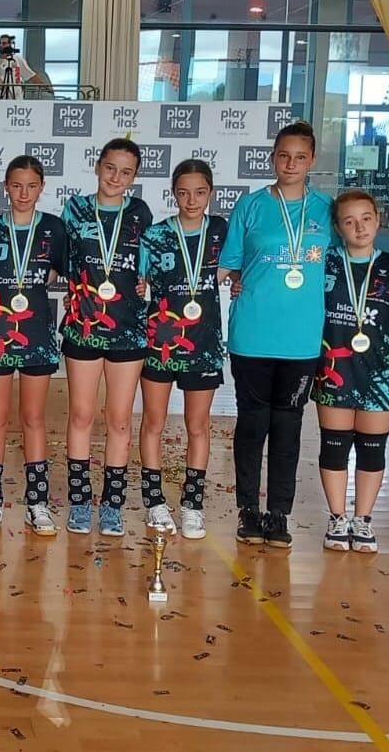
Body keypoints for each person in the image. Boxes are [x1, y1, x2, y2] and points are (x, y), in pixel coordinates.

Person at [218, 120, 332, 550]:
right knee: (251, 425)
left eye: (300, 157)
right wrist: (237, 280)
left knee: (288, 428)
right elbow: (229, 264)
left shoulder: (325, 210)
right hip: (252, 334)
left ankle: (278, 514)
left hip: (302, 339)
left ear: (312, 161)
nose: (291, 164)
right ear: (272, 158)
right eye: (283, 156)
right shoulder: (250, 207)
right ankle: (249, 510)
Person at [313, 190, 389, 553]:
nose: (359, 227)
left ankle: (363, 519)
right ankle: (337, 517)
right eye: (349, 221)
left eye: (366, 218)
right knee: (334, 446)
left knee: (373, 450)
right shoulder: (324, 264)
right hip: (334, 368)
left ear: (378, 219)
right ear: (338, 227)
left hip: (381, 373)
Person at [59, 139, 153, 537]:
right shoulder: (76, 210)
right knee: (81, 415)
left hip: (128, 329)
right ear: (98, 166)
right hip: (83, 325)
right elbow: (63, 263)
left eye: (126, 172)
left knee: (118, 419)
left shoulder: (140, 213)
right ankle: (80, 501)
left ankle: (112, 504)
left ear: (134, 177)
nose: (116, 178)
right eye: (110, 168)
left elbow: (149, 265)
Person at [0, 155, 69, 535]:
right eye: (16, 185)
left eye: (31, 186)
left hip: (36, 334)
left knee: (33, 418)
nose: (23, 193)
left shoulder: (54, 228)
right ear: (5, 187)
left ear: (42, 187)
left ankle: (37, 502)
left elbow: (75, 272)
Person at [138, 159, 227, 541]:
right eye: (183, 192)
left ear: (211, 193)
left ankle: (193, 505)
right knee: (154, 422)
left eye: (200, 192)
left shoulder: (222, 231)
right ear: (173, 193)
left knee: (197, 426)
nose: (191, 200)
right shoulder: (155, 235)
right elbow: (138, 280)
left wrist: (236, 279)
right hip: (160, 341)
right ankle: (154, 501)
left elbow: (239, 267)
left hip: (203, 342)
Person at [0, 34, 41, 99]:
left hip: (17, 98)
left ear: (9, 45)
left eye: (4, 43)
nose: (1, 45)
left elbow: (31, 75)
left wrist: (47, 88)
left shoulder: (18, 59)